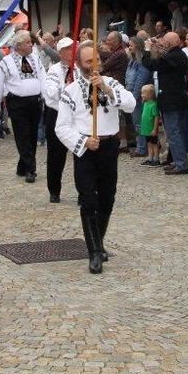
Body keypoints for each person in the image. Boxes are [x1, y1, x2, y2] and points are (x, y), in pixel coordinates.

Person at [54, 42, 136, 274]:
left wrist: (108, 90)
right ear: (79, 64)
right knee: (88, 199)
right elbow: (61, 127)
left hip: (109, 146)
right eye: (89, 62)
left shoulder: (111, 83)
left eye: (96, 60)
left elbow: (130, 104)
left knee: (108, 197)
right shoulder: (70, 91)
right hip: (87, 149)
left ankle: (99, 243)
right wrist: (83, 142)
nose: (94, 65)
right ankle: (93, 252)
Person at [0, 30, 46, 183]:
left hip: (35, 102)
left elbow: (43, 78)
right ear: (19, 45)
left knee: (32, 135)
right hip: (17, 103)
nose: (31, 44)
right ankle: (30, 169)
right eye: (28, 42)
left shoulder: (35, 58)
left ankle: (23, 166)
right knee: (22, 135)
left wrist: (47, 98)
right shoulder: (6, 61)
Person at [142, 32, 188, 175]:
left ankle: (181, 165)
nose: (162, 42)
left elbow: (151, 64)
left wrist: (147, 49)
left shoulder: (174, 56)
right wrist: (157, 46)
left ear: (169, 43)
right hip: (174, 100)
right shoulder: (176, 54)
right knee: (174, 133)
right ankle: (177, 160)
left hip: (172, 101)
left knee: (174, 133)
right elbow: (163, 57)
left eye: (164, 41)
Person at [42, 37, 75, 202]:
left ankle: (84, 191)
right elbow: (51, 92)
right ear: (61, 53)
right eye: (68, 49)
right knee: (56, 155)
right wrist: (71, 92)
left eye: (73, 48)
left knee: (81, 154)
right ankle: (54, 190)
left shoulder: (79, 68)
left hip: (77, 115)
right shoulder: (54, 70)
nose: (72, 51)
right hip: (57, 114)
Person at [124, 37, 151, 157]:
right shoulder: (132, 60)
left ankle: (141, 148)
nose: (129, 47)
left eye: (131, 45)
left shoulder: (141, 61)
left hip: (138, 96)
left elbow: (140, 80)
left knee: (139, 122)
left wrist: (134, 96)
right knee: (137, 122)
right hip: (131, 92)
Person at [139, 84, 161, 166]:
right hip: (146, 128)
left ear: (150, 94)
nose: (142, 95)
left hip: (151, 129)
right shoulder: (145, 103)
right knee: (149, 144)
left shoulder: (153, 105)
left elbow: (156, 117)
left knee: (154, 144)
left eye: (144, 93)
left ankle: (156, 159)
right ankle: (150, 158)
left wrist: (155, 129)